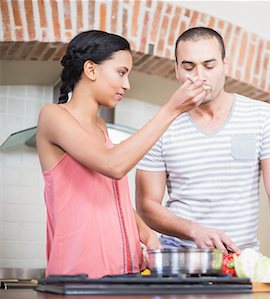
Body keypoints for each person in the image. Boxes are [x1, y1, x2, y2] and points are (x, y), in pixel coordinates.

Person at [36, 30, 208, 278]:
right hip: (81, 278)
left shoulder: (100, 127)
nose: (126, 84)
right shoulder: (53, 116)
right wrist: (172, 109)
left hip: (124, 273)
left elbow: (111, 201)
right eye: (121, 72)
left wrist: (147, 234)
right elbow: (113, 165)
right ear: (91, 70)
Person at [135, 27, 270, 256]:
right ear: (177, 70)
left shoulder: (261, 115)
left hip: (241, 259)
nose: (199, 76)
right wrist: (194, 230)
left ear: (225, 65)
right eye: (189, 67)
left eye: (209, 66)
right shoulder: (160, 124)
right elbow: (146, 206)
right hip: (179, 260)